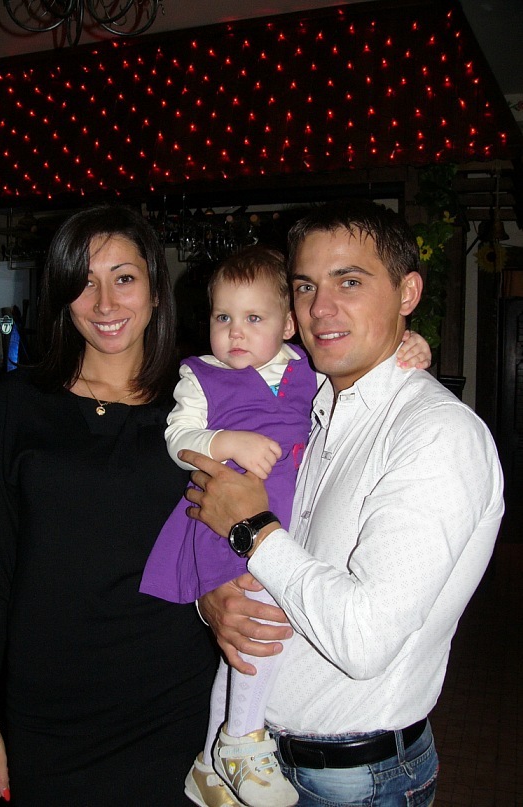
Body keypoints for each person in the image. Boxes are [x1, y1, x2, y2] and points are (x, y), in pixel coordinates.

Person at [179, 200, 504, 807]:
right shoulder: (315, 404)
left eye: (349, 282)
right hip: (264, 756)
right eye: (305, 286)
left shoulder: (436, 434)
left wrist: (251, 530)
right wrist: (214, 601)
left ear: (408, 292)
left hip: (355, 780)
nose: (320, 309)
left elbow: (363, 640)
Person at [140, 244, 432, 807]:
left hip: (283, 521)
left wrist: (407, 343)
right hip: (222, 519)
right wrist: (225, 442)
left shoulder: (305, 369)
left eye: (254, 318)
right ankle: (243, 741)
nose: (236, 333)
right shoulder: (199, 375)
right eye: (223, 317)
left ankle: (211, 761)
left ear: (288, 326)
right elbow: (178, 438)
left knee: (244, 639)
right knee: (261, 627)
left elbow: (361, 377)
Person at [0, 205, 217, 806]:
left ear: (154, 288)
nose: (104, 303)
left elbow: (300, 386)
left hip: (169, 700)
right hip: (46, 704)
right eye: (83, 281)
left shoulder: (200, 402)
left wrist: (400, 346)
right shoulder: (16, 401)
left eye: (123, 278)